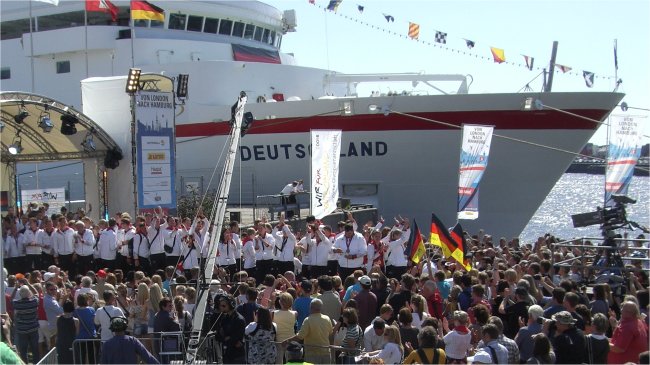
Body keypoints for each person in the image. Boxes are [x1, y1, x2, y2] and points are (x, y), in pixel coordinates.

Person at [283, 299, 333, 364]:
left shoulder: (308, 320)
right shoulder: (327, 318)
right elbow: (331, 334)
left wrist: (287, 341)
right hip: (326, 352)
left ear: (311, 307)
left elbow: (300, 336)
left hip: (312, 354)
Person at [215, 294, 246, 364]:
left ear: (231, 305)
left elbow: (235, 338)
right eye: (220, 305)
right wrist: (226, 338)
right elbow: (218, 335)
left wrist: (227, 338)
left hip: (237, 356)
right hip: (227, 354)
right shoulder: (225, 318)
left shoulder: (239, 319)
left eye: (223, 306)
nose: (221, 308)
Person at [13, 283, 40, 363]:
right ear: (28, 293)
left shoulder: (17, 304)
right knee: (35, 349)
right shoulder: (34, 302)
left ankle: (25, 363)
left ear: (20, 294)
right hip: (33, 328)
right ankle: (36, 363)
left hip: (22, 330)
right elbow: (37, 293)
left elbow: (11, 298)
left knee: (23, 350)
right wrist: (28, 283)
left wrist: (16, 288)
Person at [74, 293, 97, 364]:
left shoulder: (75, 311)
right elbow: (94, 322)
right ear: (86, 300)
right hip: (91, 336)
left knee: (81, 357)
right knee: (92, 357)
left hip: (79, 337)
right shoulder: (91, 310)